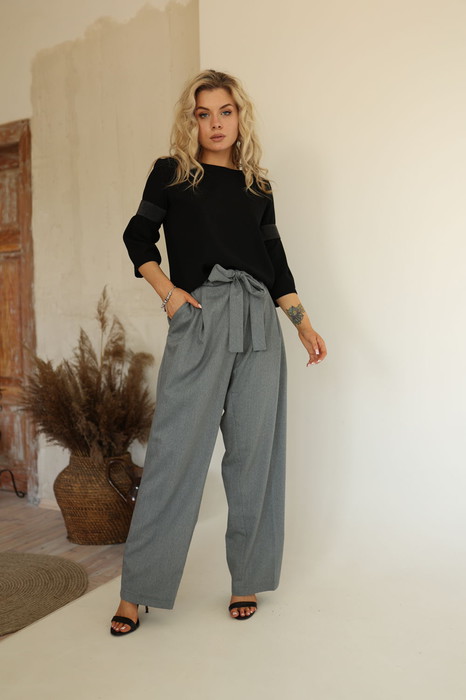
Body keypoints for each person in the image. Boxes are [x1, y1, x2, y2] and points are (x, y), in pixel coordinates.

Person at [110, 69, 327, 635]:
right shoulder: (171, 174)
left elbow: (276, 262)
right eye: (203, 114)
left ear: (239, 116)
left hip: (260, 322)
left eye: (225, 112)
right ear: (192, 121)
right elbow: (137, 237)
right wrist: (170, 295)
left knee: (254, 456)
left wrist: (302, 324)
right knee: (173, 454)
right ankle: (138, 591)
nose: (215, 123)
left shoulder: (258, 186)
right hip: (201, 316)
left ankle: (246, 579)